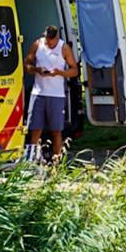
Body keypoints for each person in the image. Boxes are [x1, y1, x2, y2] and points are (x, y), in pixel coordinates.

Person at [23, 25, 78, 164]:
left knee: (56, 130)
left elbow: (74, 70)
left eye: (51, 41)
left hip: (56, 95)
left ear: (57, 38)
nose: (49, 43)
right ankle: (32, 160)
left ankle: (56, 161)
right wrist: (37, 69)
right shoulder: (37, 44)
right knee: (35, 129)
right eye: (47, 40)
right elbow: (27, 65)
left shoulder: (64, 48)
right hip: (38, 93)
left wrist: (59, 73)